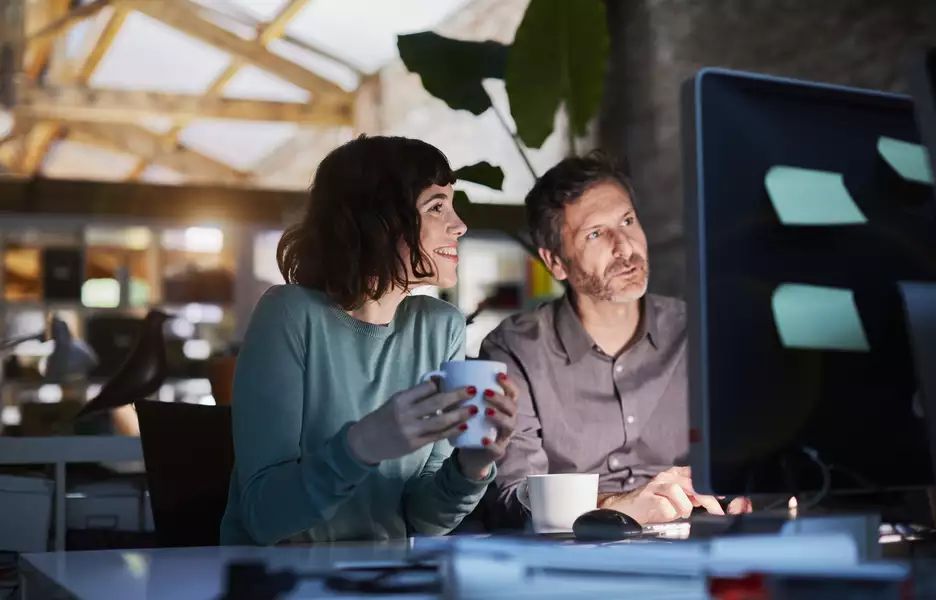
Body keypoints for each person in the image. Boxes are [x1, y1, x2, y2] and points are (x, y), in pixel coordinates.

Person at [220, 135, 519, 545]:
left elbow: (425, 519)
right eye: (436, 207)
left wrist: (472, 467)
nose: (460, 225)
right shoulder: (290, 313)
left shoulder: (440, 327)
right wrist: (363, 444)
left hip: (383, 578)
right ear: (379, 220)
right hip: (279, 581)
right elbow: (263, 517)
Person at [479, 151, 749, 529]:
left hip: (700, 543)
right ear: (556, 261)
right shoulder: (516, 350)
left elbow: (749, 458)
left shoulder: (700, 330)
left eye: (627, 221)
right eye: (595, 233)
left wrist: (746, 492)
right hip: (576, 557)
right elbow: (513, 498)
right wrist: (621, 506)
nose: (625, 248)